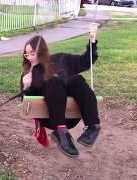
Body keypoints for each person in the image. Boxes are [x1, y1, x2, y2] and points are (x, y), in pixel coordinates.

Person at [21, 23, 101, 158]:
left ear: (42, 51)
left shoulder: (61, 59)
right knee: (55, 81)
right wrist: (26, 87)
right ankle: (61, 133)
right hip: (51, 118)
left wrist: (92, 40)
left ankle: (93, 126)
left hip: (72, 115)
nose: (29, 57)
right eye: (26, 54)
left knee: (76, 79)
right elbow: (27, 104)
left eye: (32, 53)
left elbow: (86, 61)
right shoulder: (28, 74)